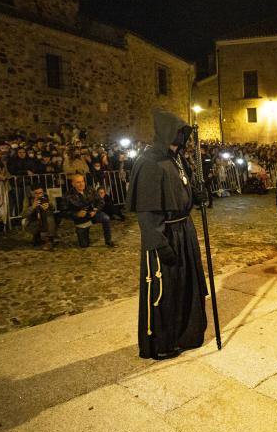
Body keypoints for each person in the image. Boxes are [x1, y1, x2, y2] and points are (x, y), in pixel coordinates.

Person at [129, 108, 208, 359]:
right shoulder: (149, 162)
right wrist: (159, 242)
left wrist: (198, 196)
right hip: (165, 234)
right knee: (166, 289)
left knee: (186, 285)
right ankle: (162, 342)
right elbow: (147, 211)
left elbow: (184, 186)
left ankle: (185, 334)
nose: (182, 137)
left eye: (184, 133)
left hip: (184, 229)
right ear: (165, 132)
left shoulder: (178, 158)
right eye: (178, 132)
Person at [66, 174, 115, 248]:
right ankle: (85, 232)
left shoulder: (90, 190)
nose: (81, 184)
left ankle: (108, 241)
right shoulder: (68, 195)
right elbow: (63, 212)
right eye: (78, 182)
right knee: (84, 245)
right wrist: (76, 214)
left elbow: (101, 201)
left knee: (106, 218)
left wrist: (95, 210)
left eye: (82, 181)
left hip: (93, 214)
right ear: (73, 183)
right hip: (81, 220)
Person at [22, 185, 57, 250]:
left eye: (40, 193)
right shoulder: (28, 199)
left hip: (46, 221)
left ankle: (49, 240)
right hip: (32, 222)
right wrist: (32, 207)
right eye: (36, 193)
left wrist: (49, 206)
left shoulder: (47, 197)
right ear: (32, 193)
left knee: (49, 218)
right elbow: (23, 214)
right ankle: (37, 237)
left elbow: (54, 207)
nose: (38, 195)